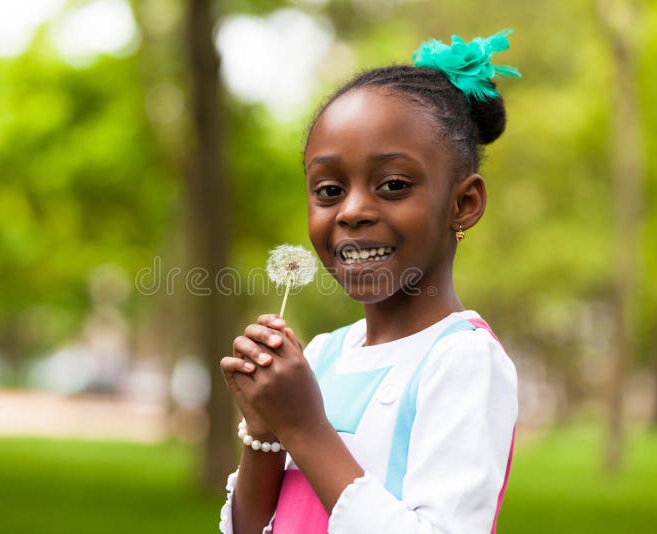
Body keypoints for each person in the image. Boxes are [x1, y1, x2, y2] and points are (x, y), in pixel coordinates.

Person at [219, 29, 521, 534]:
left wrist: (304, 427)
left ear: (463, 204)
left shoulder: (462, 361)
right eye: (329, 189)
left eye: (394, 185)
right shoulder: (320, 355)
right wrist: (265, 431)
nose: (353, 211)